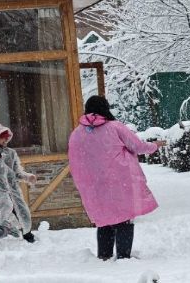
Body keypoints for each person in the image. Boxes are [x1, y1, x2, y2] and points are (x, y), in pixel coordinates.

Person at [68, 95, 166, 260]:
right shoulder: (114, 127)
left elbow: (75, 159)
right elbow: (138, 146)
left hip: (94, 183)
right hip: (120, 180)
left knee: (104, 219)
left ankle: (104, 257)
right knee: (124, 218)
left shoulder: (77, 133)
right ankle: (123, 257)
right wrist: (154, 146)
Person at [0, 120, 38, 243]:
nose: (5, 140)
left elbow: (17, 172)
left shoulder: (10, 153)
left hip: (11, 192)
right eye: (1, 138)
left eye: (6, 137)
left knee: (21, 213)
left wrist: (27, 177)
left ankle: (27, 235)